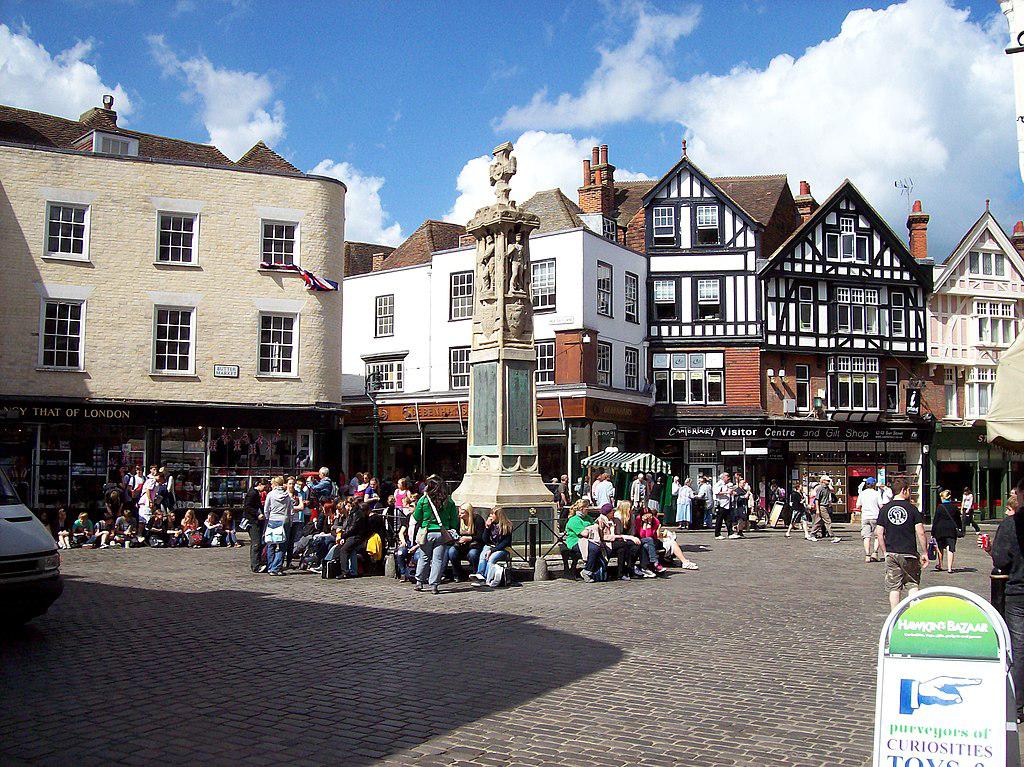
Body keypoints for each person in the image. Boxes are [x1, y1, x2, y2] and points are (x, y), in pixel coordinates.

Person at [991, 479, 1024, 722]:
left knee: (1019, 646)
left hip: (1018, 590)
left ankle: (1019, 703)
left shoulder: (1012, 525)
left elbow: (1001, 559)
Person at [875, 481, 928, 610]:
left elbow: (879, 533)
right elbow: (920, 532)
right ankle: (913, 615)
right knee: (912, 584)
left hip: (892, 553)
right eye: (909, 490)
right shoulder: (912, 509)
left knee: (894, 588)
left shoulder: (885, 509)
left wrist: (885, 551)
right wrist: (925, 552)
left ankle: (895, 616)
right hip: (909, 552)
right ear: (904, 490)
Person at [412, 475, 458, 594]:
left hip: (427, 531)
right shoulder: (449, 501)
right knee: (438, 560)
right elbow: (454, 519)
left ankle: (419, 582)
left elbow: (417, 516)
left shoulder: (424, 500)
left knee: (424, 557)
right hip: (442, 532)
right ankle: (434, 585)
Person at [471, 506, 514, 586]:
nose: (490, 517)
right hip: (491, 546)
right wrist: (487, 528)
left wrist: (493, 550)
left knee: (492, 558)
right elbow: (485, 540)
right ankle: (480, 575)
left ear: (498, 516)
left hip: (504, 549)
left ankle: (487, 578)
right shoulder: (491, 525)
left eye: (492, 514)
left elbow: (505, 543)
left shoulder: (507, 526)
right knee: (484, 553)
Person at [445, 503, 485, 581]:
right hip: (461, 546)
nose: (460, 515)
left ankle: (475, 573)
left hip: (474, 545)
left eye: (462, 513)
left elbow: (481, 537)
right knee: (451, 552)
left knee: (473, 554)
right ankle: (458, 574)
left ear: (468, 513)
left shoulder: (478, 520)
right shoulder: (459, 521)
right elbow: (456, 532)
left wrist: (469, 538)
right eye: (459, 512)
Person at [263, 476, 293, 576]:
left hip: (272, 519)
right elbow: (290, 510)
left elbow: (266, 509)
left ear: (275, 484)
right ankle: (276, 567)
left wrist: (268, 517)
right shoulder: (287, 495)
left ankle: (271, 566)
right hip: (284, 520)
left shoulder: (270, 495)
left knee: (271, 544)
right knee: (282, 546)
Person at [931, 489, 963, 574]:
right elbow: (958, 520)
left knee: (940, 548)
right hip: (951, 530)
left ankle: (940, 564)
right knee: (950, 548)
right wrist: (960, 528)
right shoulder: (954, 507)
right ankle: (949, 568)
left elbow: (935, 520)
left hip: (940, 529)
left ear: (942, 497)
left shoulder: (939, 507)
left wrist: (932, 532)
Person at [560, 500, 593, 578]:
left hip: (588, 540)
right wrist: (590, 529)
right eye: (586, 507)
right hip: (575, 542)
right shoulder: (574, 520)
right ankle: (588, 570)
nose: (588, 509)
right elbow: (584, 533)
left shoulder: (588, 518)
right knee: (592, 549)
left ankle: (594, 570)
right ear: (581, 508)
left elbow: (595, 527)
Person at [856, 477, 883, 562]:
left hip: (865, 517)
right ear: (874, 484)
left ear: (866, 484)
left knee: (866, 537)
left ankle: (867, 555)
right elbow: (881, 505)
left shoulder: (862, 493)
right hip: (875, 516)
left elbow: (858, 506)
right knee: (877, 536)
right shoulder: (877, 493)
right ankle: (875, 553)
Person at [243, 479, 267, 573]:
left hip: (257, 521)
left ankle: (259, 562)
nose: (265, 489)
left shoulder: (256, 493)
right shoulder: (252, 493)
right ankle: (255, 566)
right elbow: (247, 507)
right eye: (264, 486)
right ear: (260, 485)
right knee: (256, 543)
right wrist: (257, 514)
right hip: (252, 521)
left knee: (259, 543)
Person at [811, 475, 842, 543]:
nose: (829, 481)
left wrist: (829, 484)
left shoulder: (827, 488)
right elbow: (817, 499)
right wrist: (818, 510)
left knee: (819, 522)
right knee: (828, 521)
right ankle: (832, 537)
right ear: (823, 481)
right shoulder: (820, 488)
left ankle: (812, 534)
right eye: (827, 480)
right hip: (822, 506)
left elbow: (833, 490)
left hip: (826, 506)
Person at [713, 473, 735, 540]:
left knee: (728, 519)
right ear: (723, 477)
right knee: (719, 520)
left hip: (727, 504)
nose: (728, 478)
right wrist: (727, 492)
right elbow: (716, 492)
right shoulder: (719, 484)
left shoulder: (728, 485)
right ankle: (717, 534)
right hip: (721, 504)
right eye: (727, 476)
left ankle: (730, 533)